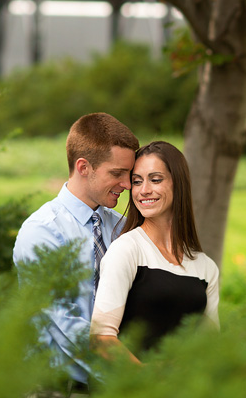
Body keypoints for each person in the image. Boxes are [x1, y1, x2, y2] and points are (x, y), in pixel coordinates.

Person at [13, 112, 139, 393]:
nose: (128, 185)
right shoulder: (43, 232)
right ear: (83, 167)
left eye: (129, 174)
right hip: (61, 393)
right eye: (117, 173)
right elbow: (63, 324)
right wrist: (135, 374)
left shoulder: (118, 227)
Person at [90, 141, 220, 363]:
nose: (144, 190)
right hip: (135, 392)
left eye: (155, 179)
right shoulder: (127, 249)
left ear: (178, 184)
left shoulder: (204, 266)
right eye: (137, 181)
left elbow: (212, 346)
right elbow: (101, 338)